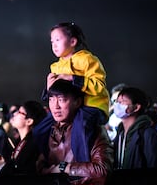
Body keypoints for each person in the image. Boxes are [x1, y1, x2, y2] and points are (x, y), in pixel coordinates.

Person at [36, 79, 113, 185]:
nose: (55, 106)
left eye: (61, 100)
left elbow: (102, 168)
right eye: (51, 99)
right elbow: (40, 163)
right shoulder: (49, 129)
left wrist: (65, 167)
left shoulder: (91, 130)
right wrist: (46, 171)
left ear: (77, 102)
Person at [39, 22, 110, 164]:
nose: (54, 45)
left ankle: (81, 168)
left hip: (91, 106)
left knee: (80, 128)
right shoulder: (55, 67)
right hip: (71, 109)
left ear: (72, 41)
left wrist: (73, 77)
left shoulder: (88, 60)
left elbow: (99, 87)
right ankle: (45, 163)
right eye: (52, 41)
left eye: (58, 40)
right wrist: (48, 88)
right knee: (40, 129)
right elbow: (53, 96)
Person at [112, 87, 157, 169]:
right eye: (117, 102)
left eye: (122, 102)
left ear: (136, 107)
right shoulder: (120, 133)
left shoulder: (148, 133)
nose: (117, 105)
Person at [0, 100, 47, 176]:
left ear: (29, 121)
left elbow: (20, 175)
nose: (15, 114)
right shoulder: (20, 141)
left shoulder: (32, 145)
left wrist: (1, 167)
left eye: (20, 112)